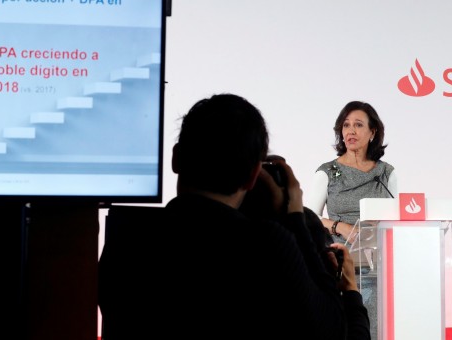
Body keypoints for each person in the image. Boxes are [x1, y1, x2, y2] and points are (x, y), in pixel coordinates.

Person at [99, 93, 366, 340]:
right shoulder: (266, 244)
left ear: (176, 158)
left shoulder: (126, 238)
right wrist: (294, 216)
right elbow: (331, 329)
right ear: (253, 176)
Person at [308, 100, 398, 340]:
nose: (350, 130)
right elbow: (308, 217)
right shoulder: (326, 172)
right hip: (338, 267)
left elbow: (397, 218)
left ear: (373, 132)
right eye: (346, 125)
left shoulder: (386, 173)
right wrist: (340, 226)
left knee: (373, 330)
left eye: (358, 125)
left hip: (376, 267)